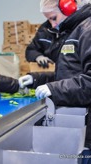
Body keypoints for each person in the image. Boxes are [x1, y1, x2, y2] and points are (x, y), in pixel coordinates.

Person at [19, 0, 91, 148]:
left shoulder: (87, 30)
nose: (52, 25)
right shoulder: (75, 30)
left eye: (53, 18)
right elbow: (69, 74)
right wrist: (36, 79)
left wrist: (54, 89)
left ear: (69, 7)